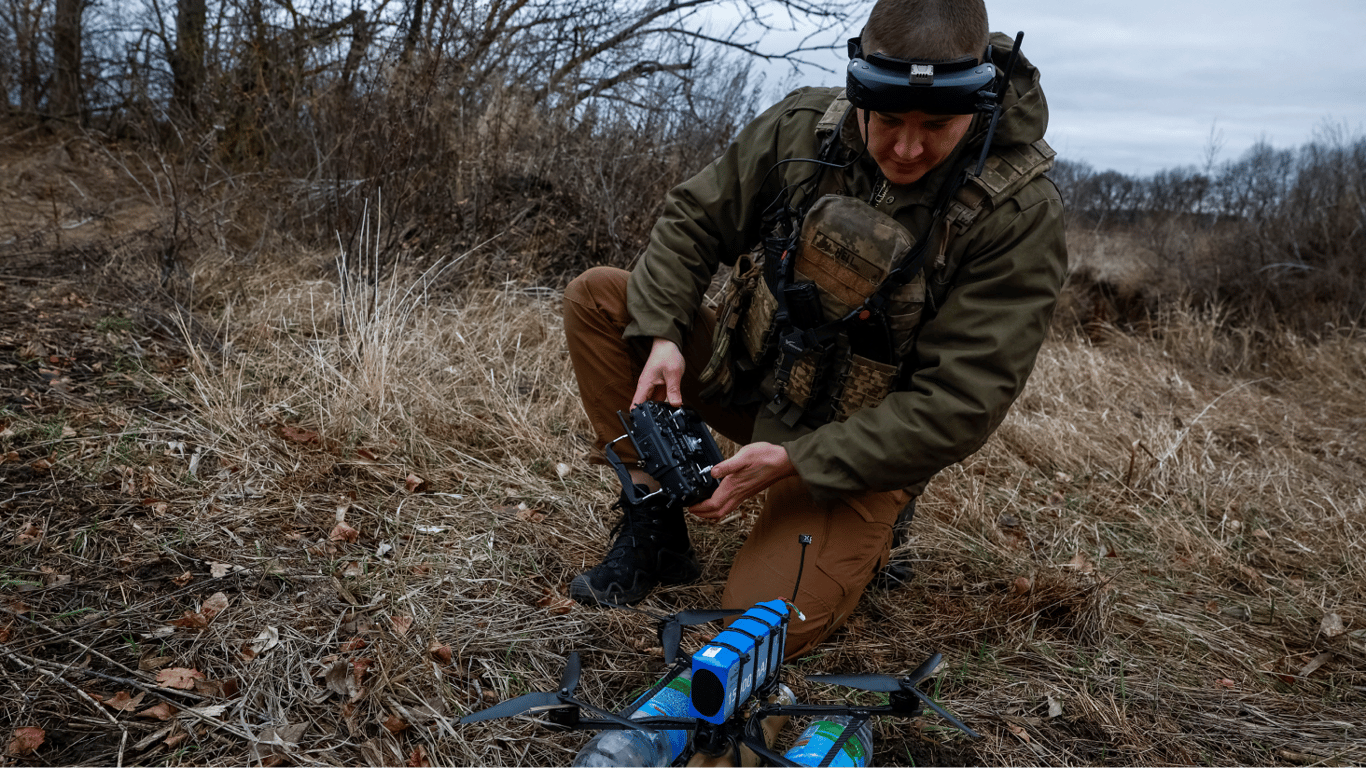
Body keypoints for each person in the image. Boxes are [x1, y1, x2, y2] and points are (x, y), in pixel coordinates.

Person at [562, 0, 1067, 660]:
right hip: (758, 383)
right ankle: (655, 526)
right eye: (888, 120)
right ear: (860, 91)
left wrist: (798, 461)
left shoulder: (1018, 211)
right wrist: (661, 336)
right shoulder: (805, 127)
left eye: (936, 125)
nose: (907, 148)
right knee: (602, 300)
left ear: (977, 104)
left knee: (752, 632)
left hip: (858, 450)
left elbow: (957, 407)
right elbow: (694, 218)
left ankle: (878, 525)